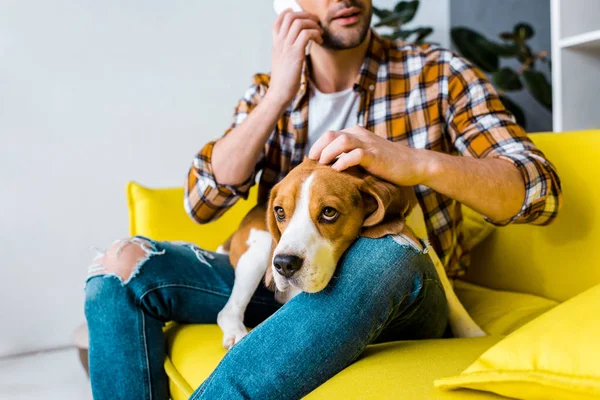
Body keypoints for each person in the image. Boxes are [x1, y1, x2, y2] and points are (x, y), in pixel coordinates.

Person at [84, 1, 562, 399]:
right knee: (121, 268)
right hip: (282, 278)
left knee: (385, 253)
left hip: (391, 289)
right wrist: (276, 95)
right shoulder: (270, 89)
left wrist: (416, 163)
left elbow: (539, 190)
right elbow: (201, 201)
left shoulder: (437, 74)